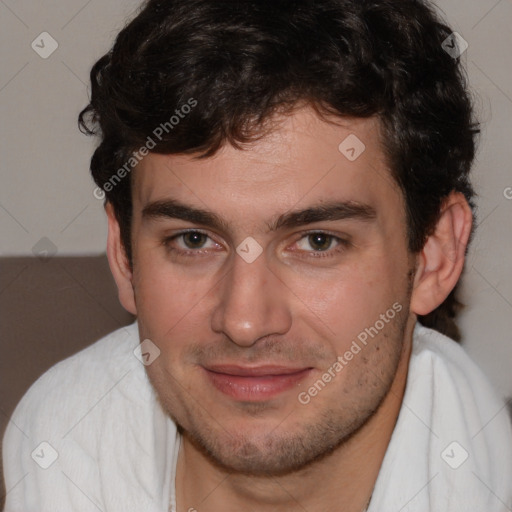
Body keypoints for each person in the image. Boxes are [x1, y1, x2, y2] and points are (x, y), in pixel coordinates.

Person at [3, 0, 512, 510]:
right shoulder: (52, 458)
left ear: (435, 255)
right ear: (123, 256)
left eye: (318, 241)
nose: (244, 321)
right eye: (194, 240)